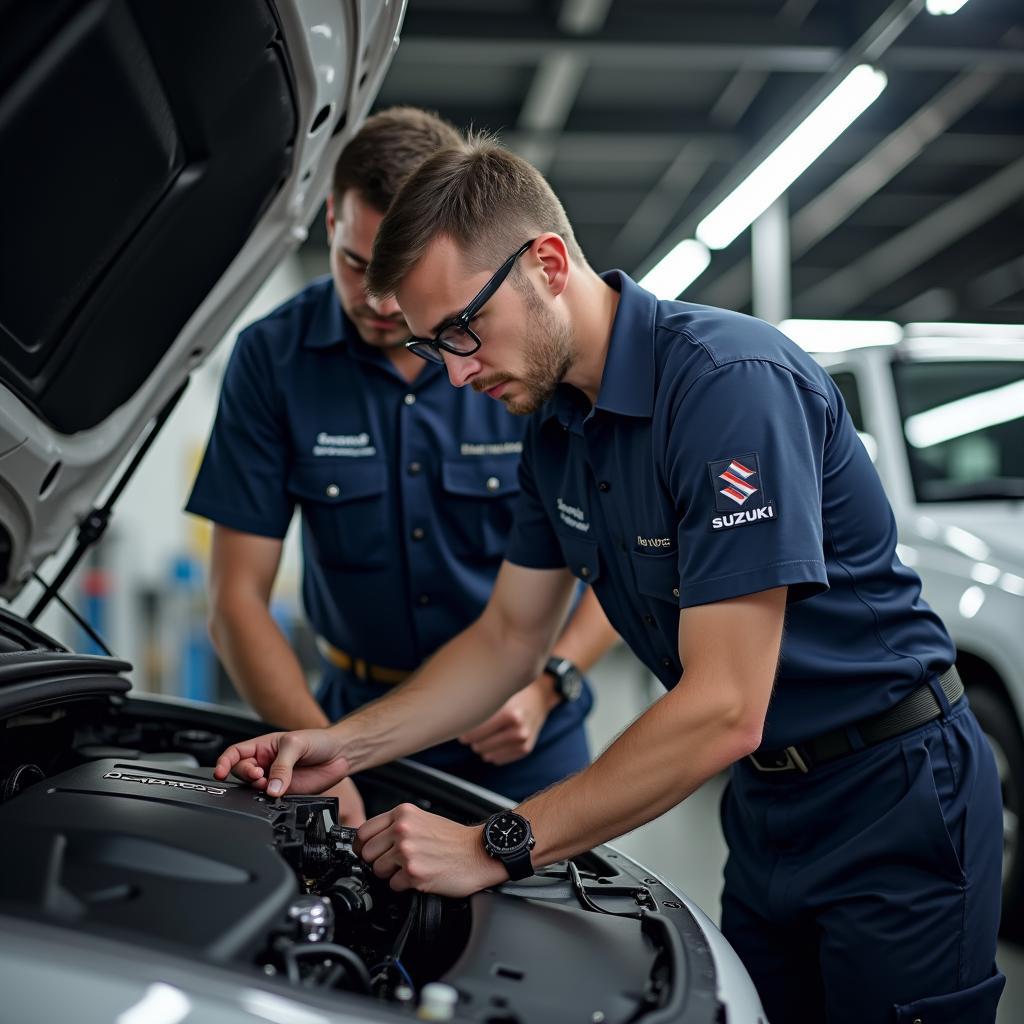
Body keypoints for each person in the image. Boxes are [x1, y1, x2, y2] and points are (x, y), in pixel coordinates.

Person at [214, 135, 1005, 1023]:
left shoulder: (726, 387)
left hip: (893, 796)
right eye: (437, 349)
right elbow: (508, 638)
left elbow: (723, 706)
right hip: (768, 805)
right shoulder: (555, 429)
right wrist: (344, 745)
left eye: (465, 332)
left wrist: (497, 843)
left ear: (547, 263)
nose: (461, 373)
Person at [188, 109, 616, 820]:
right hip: (355, 720)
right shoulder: (272, 360)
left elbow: (613, 551)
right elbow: (236, 601)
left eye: (403, 272)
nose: (381, 301)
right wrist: (327, 753)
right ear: (331, 220)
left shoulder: (528, 359)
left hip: (521, 736)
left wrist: (552, 680)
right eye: (358, 265)